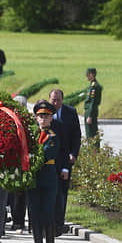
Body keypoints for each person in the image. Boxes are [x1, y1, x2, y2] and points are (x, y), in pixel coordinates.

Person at [28, 100, 59, 243]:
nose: (44, 119)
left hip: (48, 178)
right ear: (36, 118)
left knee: (47, 212)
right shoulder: (31, 136)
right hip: (33, 179)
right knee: (34, 214)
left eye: (47, 116)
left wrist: (30, 157)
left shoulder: (52, 137)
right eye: (41, 116)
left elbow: (46, 154)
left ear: (51, 118)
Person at [49, 89, 81, 234]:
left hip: (65, 159)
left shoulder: (70, 113)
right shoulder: (45, 113)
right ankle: (49, 222)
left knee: (62, 192)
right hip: (49, 160)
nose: (55, 103)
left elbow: (76, 136)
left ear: (62, 100)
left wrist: (73, 154)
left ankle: (59, 224)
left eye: (58, 100)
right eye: (53, 100)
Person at [82, 67, 102, 146]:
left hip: (91, 112)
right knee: (89, 133)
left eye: (88, 74)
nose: (86, 76)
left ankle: (93, 150)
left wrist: (90, 115)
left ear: (92, 75)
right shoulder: (91, 85)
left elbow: (93, 102)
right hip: (89, 111)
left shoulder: (94, 87)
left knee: (91, 133)